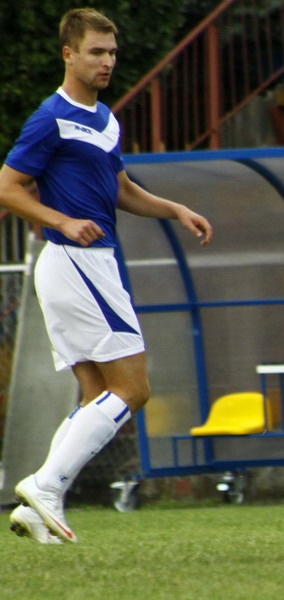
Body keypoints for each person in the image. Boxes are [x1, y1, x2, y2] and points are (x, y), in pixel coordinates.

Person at [0, 8, 213, 544]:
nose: (107, 62)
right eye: (96, 52)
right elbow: (7, 187)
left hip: (87, 263)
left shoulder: (105, 119)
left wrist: (176, 210)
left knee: (97, 394)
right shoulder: (50, 116)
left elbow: (122, 189)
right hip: (76, 262)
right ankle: (45, 485)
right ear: (68, 54)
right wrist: (63, 220)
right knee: (133, 389)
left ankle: (36, 508)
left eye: (112, 53)